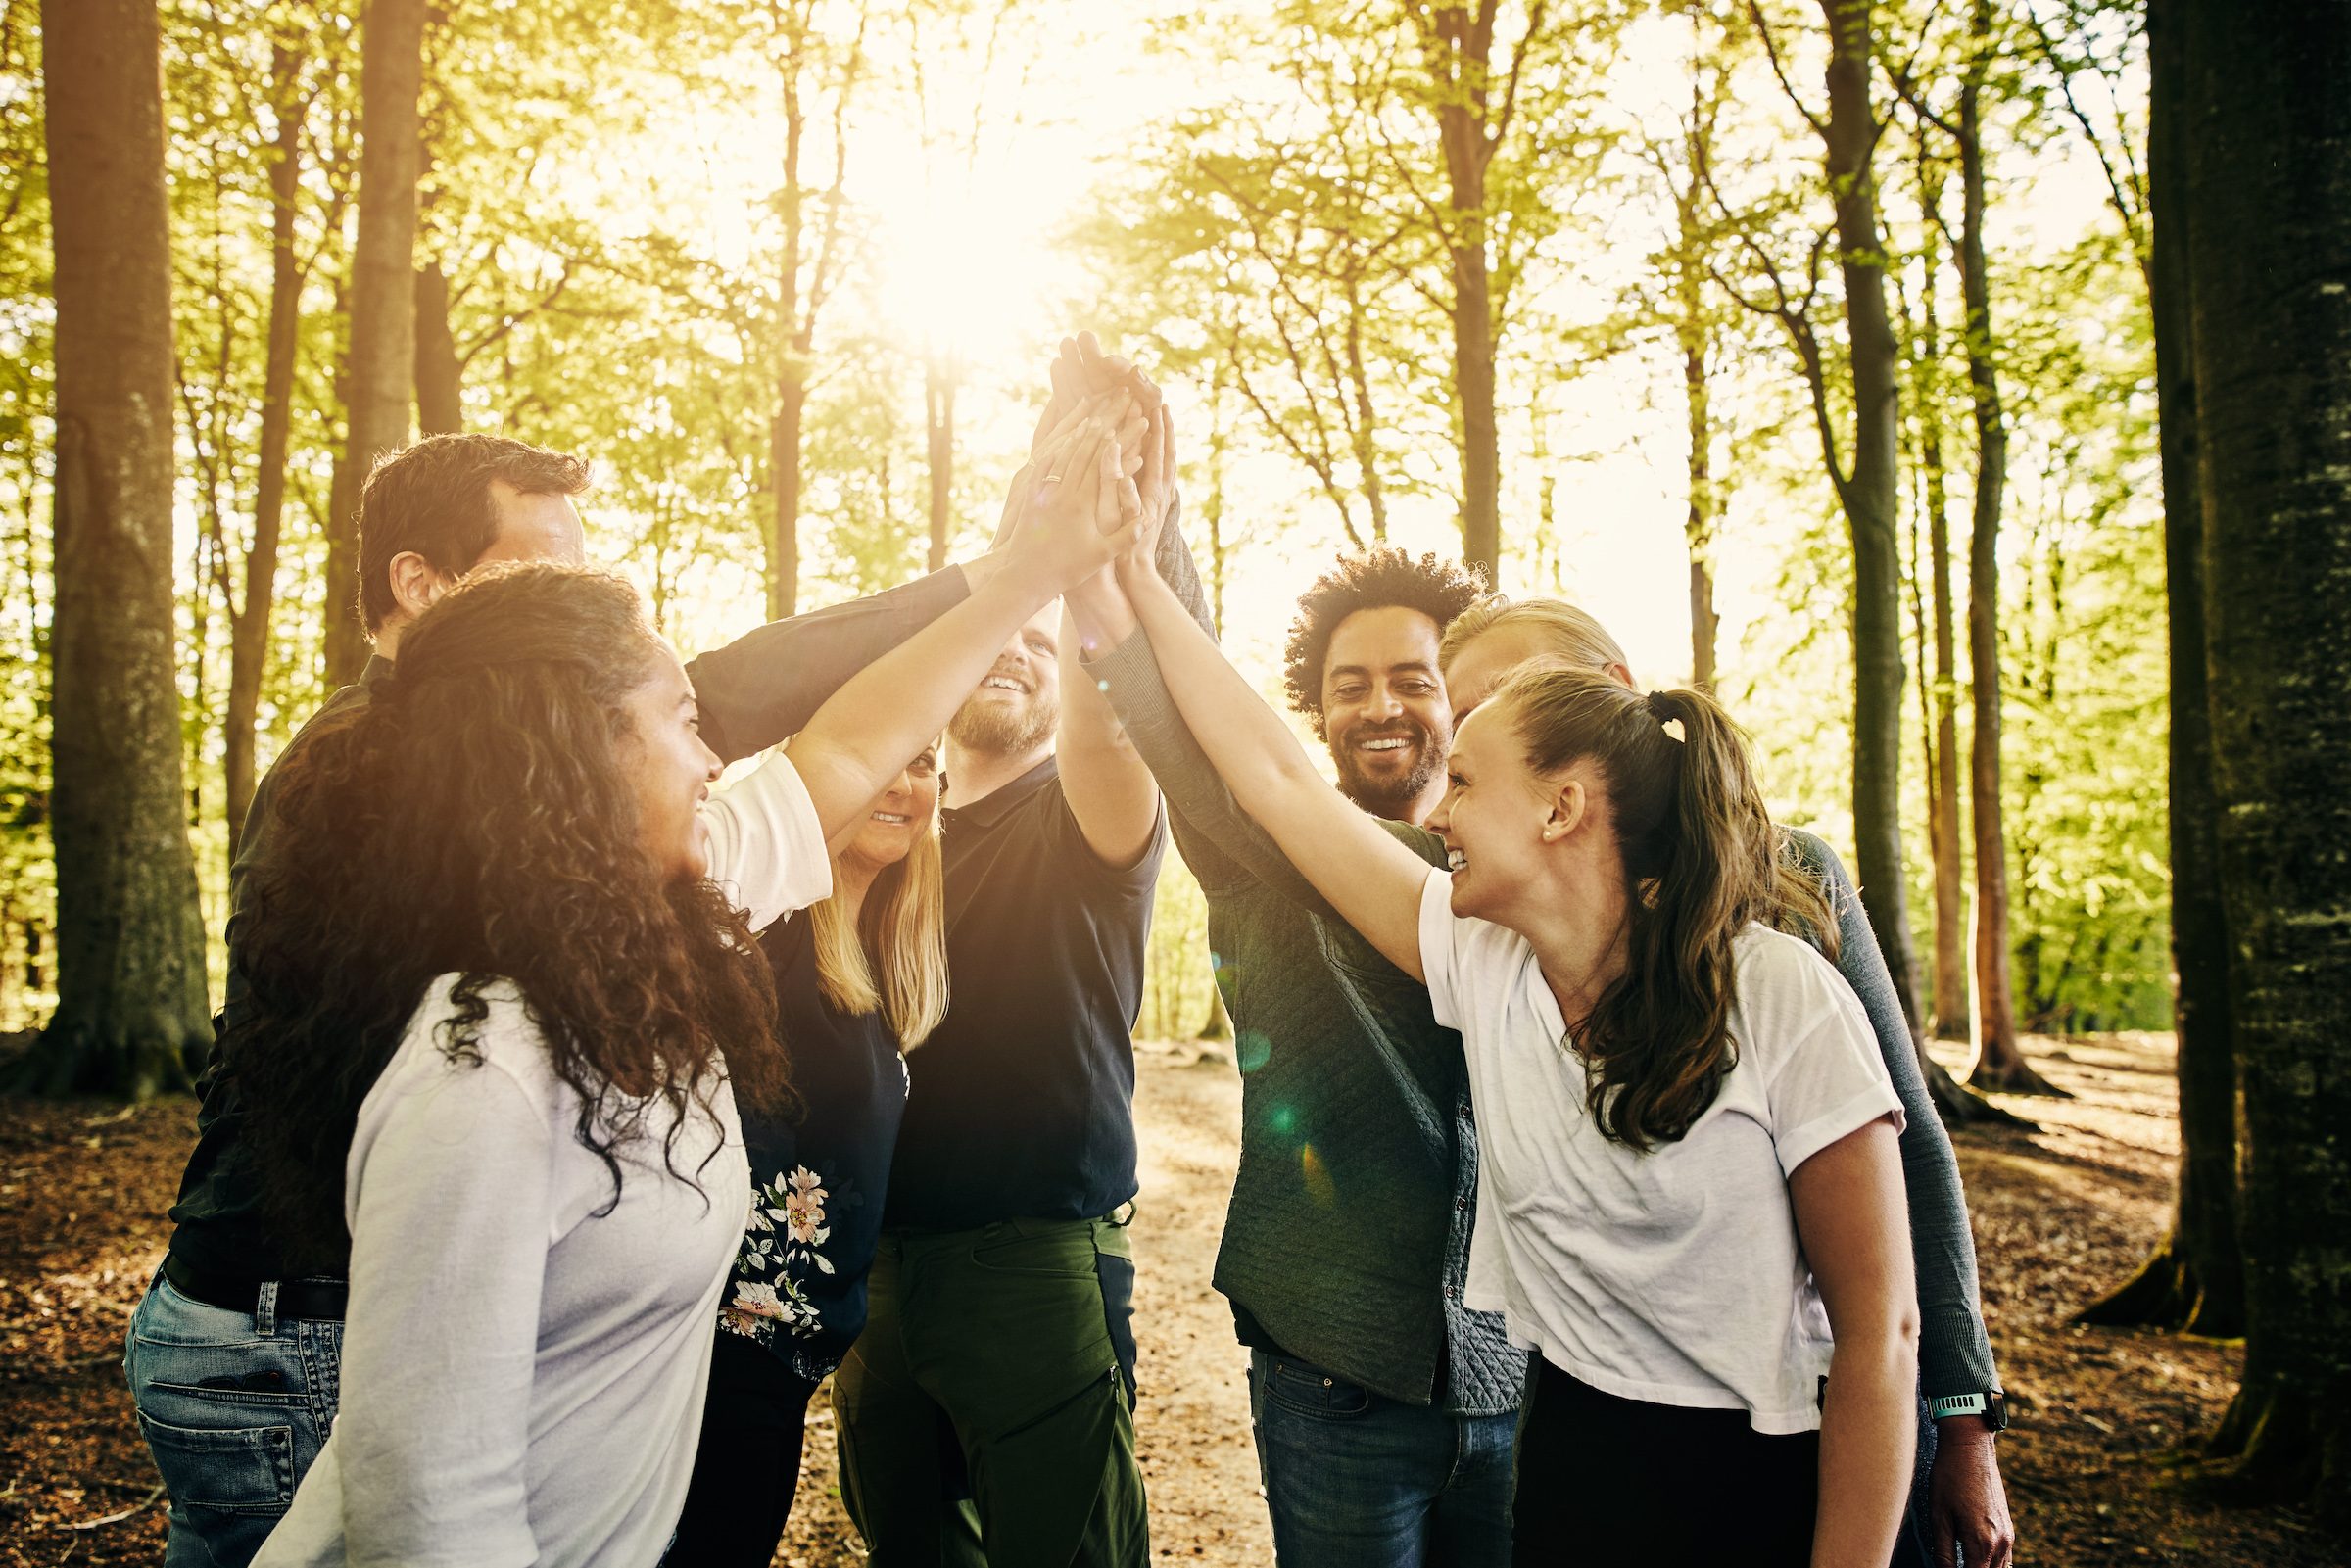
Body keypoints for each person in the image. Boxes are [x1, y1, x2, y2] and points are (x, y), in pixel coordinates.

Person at [124, 427, 1127, 1566]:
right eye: (685, 724)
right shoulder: (475, 1037)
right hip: (290, 1335)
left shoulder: (644, 913)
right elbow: (432, 1502)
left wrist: (1023, 575)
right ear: (567, 738)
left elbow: (842, 750)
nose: (717, 756)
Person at [1103, 542, 1921, 1564]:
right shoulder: (1483, 963)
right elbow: (1270, 779)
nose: (1438, 808)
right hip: (1571, 1464)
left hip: (1751, 1475)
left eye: (1467, 780)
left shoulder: (1778, 991)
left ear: (1562, 804)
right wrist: (1135, 567)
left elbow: (1881, 1333)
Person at [1437, 597, 2016, 1568]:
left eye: (1511, 695)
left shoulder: (1788, 888)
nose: (1473, 733)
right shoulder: (1496, 926)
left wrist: (1964, 1416)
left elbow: (1906, 1150)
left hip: (1803, 1417)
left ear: (1612, 702)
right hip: (1602, 1416)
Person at [1081, 541, 1526, 1566]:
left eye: (1414, 681)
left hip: (1522, 1375)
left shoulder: (1535, 882)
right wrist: (1149, 531)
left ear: (1459, 702)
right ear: (1313, 712)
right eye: (1349, 685)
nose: (1381, 705)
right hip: (1334, 1376)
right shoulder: (1256, 850)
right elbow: (1178, 710)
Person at [829, 363, 1173, 1567]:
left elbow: (1114, 721)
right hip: (875, 1271)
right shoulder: (877, 839)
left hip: (1031, 1262)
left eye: (1045, 643)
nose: (1016, 654)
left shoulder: (1086, 823)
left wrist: (1082, 570)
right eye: (997, 635)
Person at [667, 742, 949, 1564]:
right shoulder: (763, 931)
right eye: (883, 754)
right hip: (719, 1361)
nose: (900, 781)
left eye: (924, 761)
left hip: (786, 1366)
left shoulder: (884, 951)